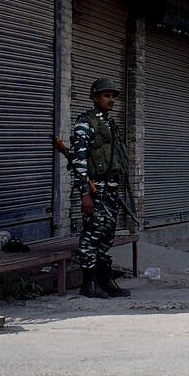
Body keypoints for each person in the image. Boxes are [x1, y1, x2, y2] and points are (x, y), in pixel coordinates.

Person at [71, 78, 131, 299]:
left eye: (113, 96)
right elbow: (79, 162)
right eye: (106, 96)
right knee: (91, 235)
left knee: (107, 234)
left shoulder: (109, 123)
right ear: (95, 98)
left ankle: (105, 281)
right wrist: (85, 194)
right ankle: (89, 284)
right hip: (95, 188)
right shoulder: (85, 124)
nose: (111, 100)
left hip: (110, 189)